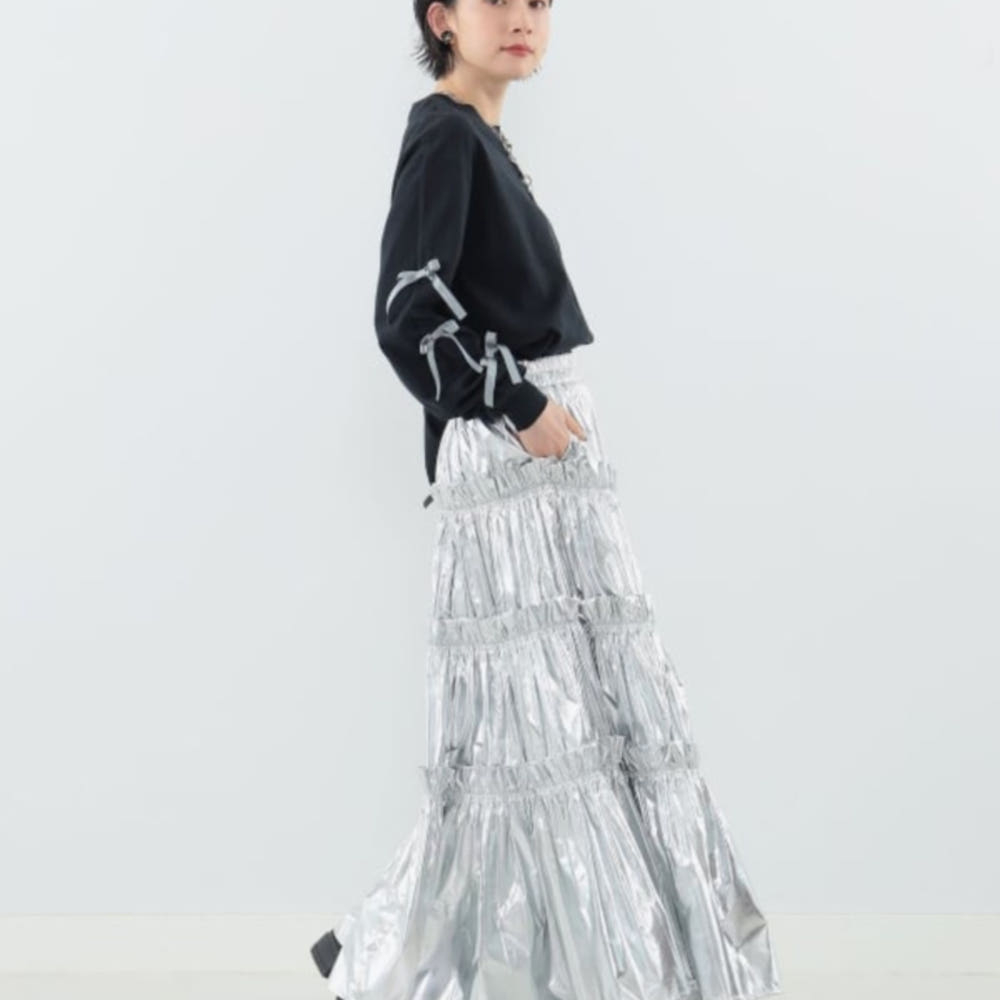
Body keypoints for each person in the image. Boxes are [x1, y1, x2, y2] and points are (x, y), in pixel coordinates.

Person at [311, 2, 784, 998]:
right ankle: (486, 959)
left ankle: (590, 962)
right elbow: (406, 310)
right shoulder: (444, 137)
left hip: (543, 459)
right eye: (497, 0)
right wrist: (516, 401)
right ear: (443, 18)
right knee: (537, 727)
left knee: (579, 719)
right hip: (512, 462)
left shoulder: (479, 137)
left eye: (538, 1)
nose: (522, 18)